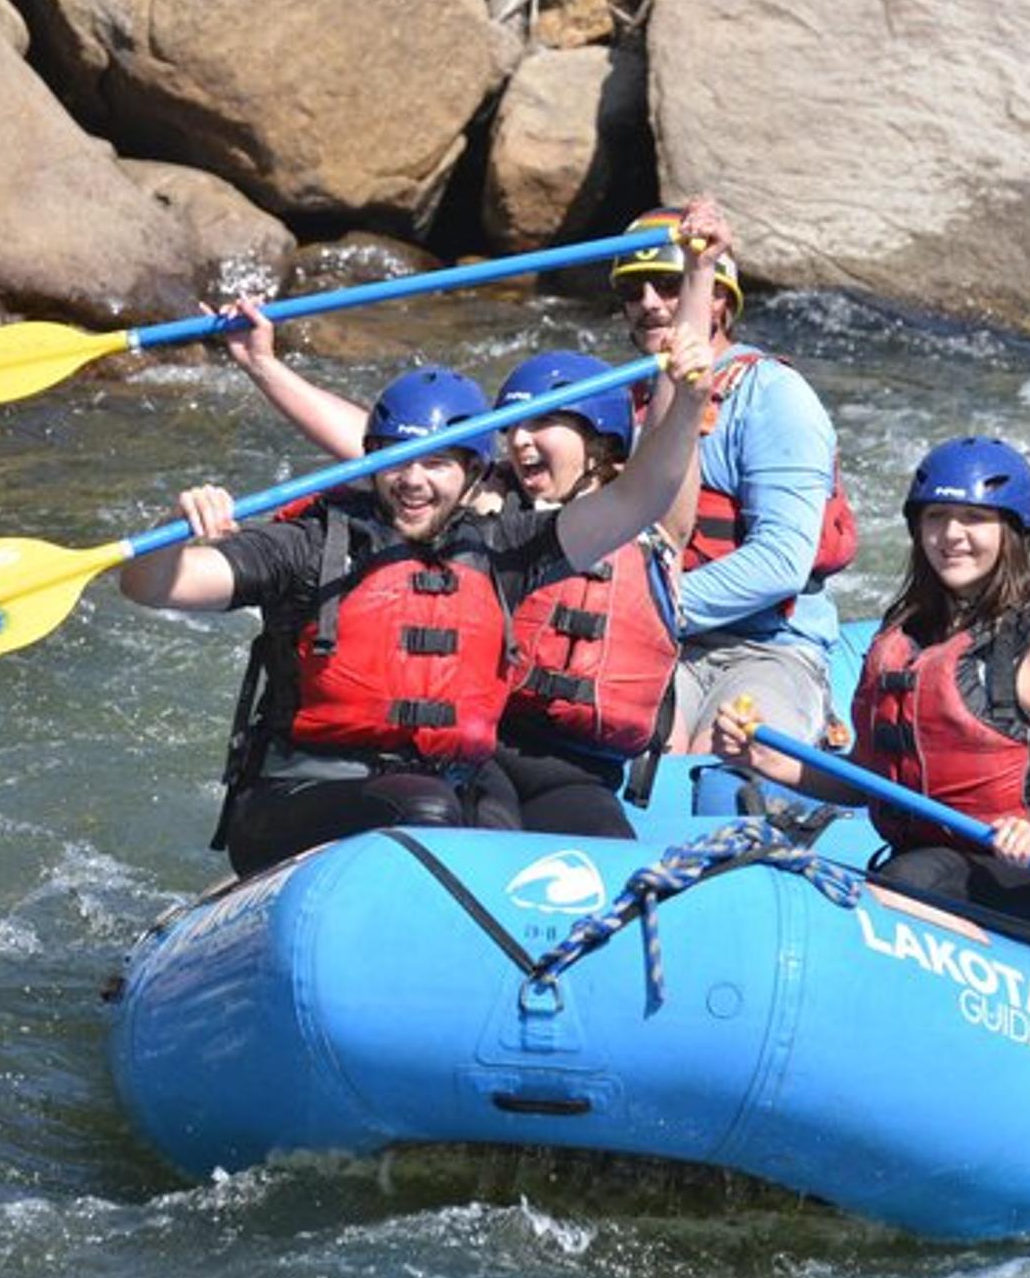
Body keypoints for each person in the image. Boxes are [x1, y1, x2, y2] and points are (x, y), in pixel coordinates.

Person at [119, 229, 721, 878]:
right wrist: (178, 528)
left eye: (438, 464)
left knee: (492, 822)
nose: (414, 480)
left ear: (467, 476)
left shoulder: (502, 547)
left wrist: (690, 392)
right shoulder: (312, 544)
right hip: (309, 792)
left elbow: (645, 491)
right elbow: (150, 584)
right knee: (438, 810)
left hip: (486, 772)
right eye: (401, 462)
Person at [207, 327, 691, 840]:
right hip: (481, 751)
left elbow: (668, 452)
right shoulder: (488, 511)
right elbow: (395, 448)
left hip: (576, 771)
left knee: (601, 849)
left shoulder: (645, 526)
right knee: (467, 823)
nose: (521, 439)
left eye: (544, 422)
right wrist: (264, 366)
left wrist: (689, 378)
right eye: (513, 426)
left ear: (603, 445)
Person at [713, 437, 1030, 934]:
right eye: (937, 516)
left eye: (974, 518)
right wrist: (767, 759)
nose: (951, 535)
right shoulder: (907, 629)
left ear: (1013, 531)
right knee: (913, 873)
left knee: (914, 878)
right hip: (929, 865)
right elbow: (871, 781)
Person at [609, 206, 857, 754]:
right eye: (634, 289)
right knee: (636, 747)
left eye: (670, 285)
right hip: (662, 643)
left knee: (729, 756)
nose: (649, 302)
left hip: (768, 649)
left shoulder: (772, 395)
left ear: (717, 298)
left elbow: (781, 562)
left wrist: (639, 606)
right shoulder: (621, 405)